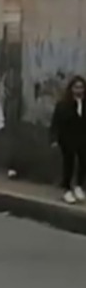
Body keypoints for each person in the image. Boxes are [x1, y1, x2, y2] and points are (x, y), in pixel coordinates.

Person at [49, 75, 86, 204]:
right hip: (67, 138)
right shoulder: (63, 104)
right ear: (71, 89)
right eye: (76, 87)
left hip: (82, 138)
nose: (79, 90)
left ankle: (79, 186)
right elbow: (56, 122)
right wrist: (54, 138)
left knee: (83, 162)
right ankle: (66, 189)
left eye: (81, 87)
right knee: (68, 164)